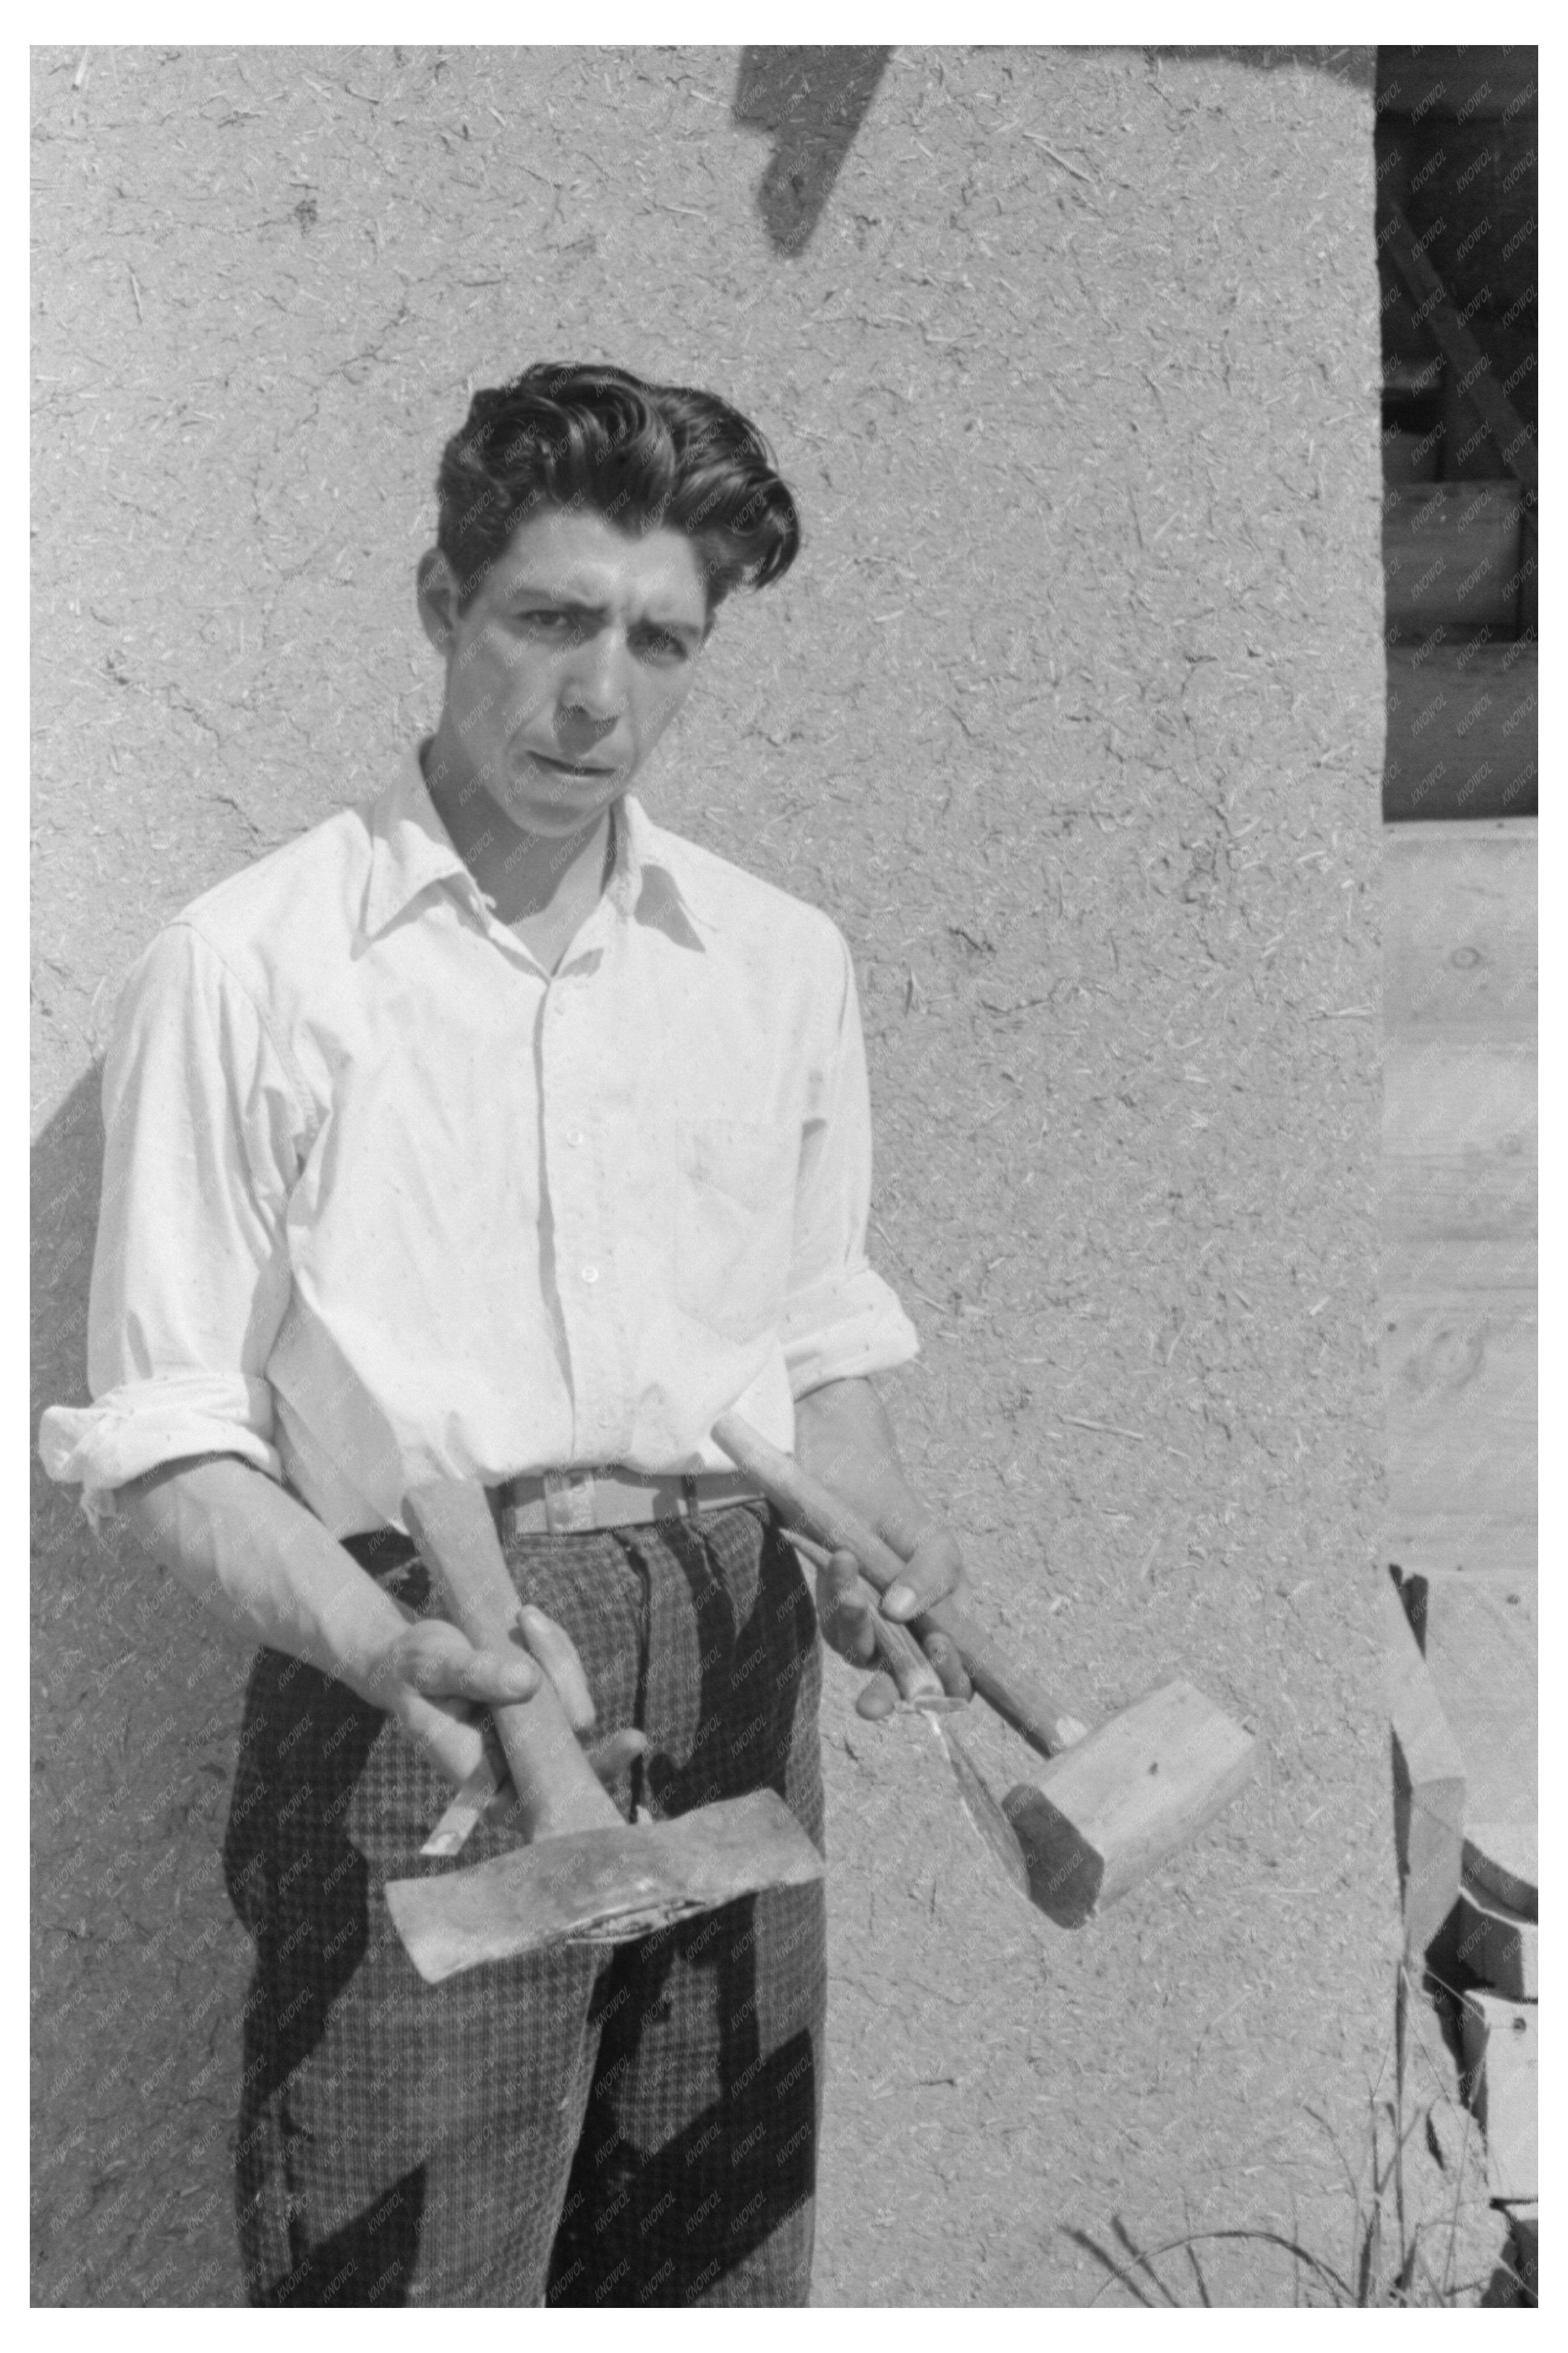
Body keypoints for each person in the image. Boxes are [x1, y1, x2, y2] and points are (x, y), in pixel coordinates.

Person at [40, 363, 969, 2307]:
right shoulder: (251, 964)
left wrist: (865, 1535)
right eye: (550, 618)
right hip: (426, 1663)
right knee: (405, 2270)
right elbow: (167, 1438)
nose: (598, 696)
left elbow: (811, 1332)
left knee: (708, 2250)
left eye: (659, 640)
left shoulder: (779, 959)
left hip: (730, 1630)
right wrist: (398, 1650)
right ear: (438, 604)